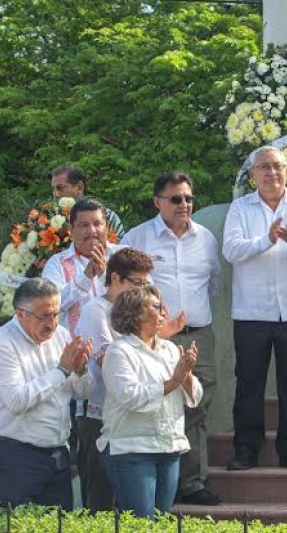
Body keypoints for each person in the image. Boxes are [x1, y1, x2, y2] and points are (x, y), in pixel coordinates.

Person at [222, 146, 287, 471]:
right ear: (252, 174)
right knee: (249, 383)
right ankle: (246, 450)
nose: (271, 173)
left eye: (277, 166)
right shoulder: (240, 208)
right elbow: (231, 251)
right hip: (252, 312)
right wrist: (266, 240)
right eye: (264, 167)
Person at [122, 170, 223, 505]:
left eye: (189, 198)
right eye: (175, 198)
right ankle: (160, 482)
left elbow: (214, 284)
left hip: (198, 336)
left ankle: (191, 482)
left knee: (196, 405)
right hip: (154, 338)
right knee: (158, 403)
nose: (184, 204)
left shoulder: (206, 238)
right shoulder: (139, 237)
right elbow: (127, 289)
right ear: (157, 201)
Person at [0, 278, 92, 508]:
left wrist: (81, 371)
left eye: (56, 314)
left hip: (57, 453)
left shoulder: (61, 336)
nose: (51, 324)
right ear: (20, 314)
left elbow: (82, 393)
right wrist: (61, 371)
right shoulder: (1, 344)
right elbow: (17, 401)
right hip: (14, 456)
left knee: (58, 526)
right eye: (44, 316)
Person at [99, 285, 202, 519]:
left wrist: (185, 375)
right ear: (134, 313)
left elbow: (195, 395)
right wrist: (174, 380)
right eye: (156, 306)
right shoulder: (119, 351)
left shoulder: (170, 349)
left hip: (169, 447)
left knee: (162, 522)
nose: (164, 311)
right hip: (132, 449)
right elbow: (132, 397)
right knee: (141, 524)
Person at [74, 248, 154, 512]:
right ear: (116, 278)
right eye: (137, 283)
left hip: (130, 413)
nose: (143, 290)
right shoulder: (95, 310)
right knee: (100, 497)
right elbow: (106, 359)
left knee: (129, 502)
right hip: (98, 413)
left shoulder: (141, 311)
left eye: (146, 284)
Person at [42, 198, 126, 334]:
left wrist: (105, 276)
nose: (92, 231)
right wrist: (85, 278)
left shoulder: (124, 255)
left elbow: (139, 298)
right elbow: (50, 305)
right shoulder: (56, 264)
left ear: (107, 227)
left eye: (98, 224)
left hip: (122, 346)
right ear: (71, 229)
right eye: (84, 225)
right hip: (75, 350)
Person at [50, 165, 125, 239]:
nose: (55, 194)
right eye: (53, 189)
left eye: (61, 188)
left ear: (80, 187)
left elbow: (121, 248)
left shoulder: (108, 216)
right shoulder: (49, 219)